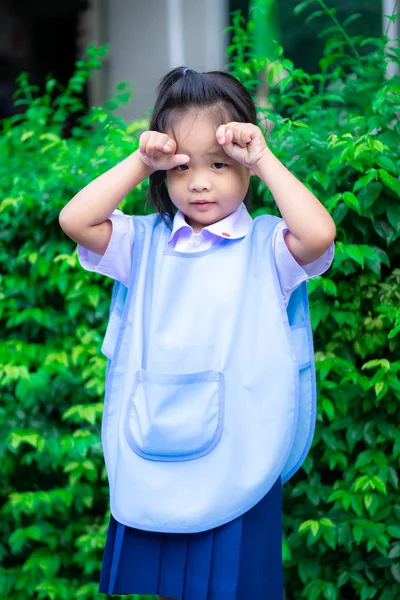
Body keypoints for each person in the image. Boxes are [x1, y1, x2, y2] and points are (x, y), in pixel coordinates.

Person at [59, 66, 336, 600]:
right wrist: (142, 161)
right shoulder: (143, 244)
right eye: (182, 167)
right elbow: (76, 219)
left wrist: (263, 157)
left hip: (240, 457)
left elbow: (319, 233)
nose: (200, 181)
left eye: (220, 164)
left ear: (246, 170)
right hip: (157, 446)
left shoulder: (267, 248)